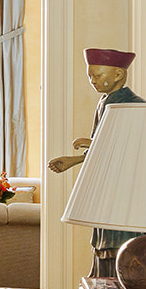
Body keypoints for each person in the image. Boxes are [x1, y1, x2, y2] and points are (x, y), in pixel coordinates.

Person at [49, 46, 141, 276]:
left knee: (118, 243)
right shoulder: (105, 101)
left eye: (98, 76)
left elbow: (132, 148)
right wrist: (75, 160)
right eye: (90, 76)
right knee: (102, 238)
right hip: (106, 186)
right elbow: (103, 148)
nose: (92, 81)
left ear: (118, 75)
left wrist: (91, 145)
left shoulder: (133, 105)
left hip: (124, 191)